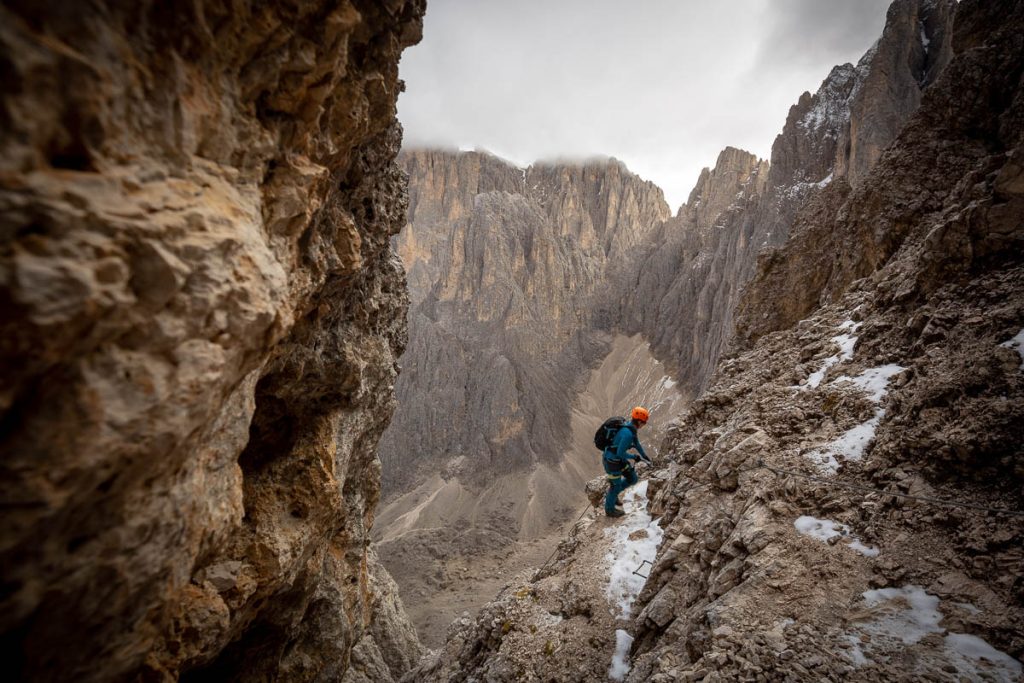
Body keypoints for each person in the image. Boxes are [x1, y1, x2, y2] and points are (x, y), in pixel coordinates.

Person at [603, 406, 651, 517]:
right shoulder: (628, 434)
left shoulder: (630, 429)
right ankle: (609, 510)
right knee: (615, 486)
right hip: (611, 461)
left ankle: (613, 495)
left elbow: (636, 443)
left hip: (618, 460)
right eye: (644, 422)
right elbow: (620, 453)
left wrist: (644, 455)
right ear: (639, 421)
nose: (644, 425)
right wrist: (634, 457)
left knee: (632, 478)